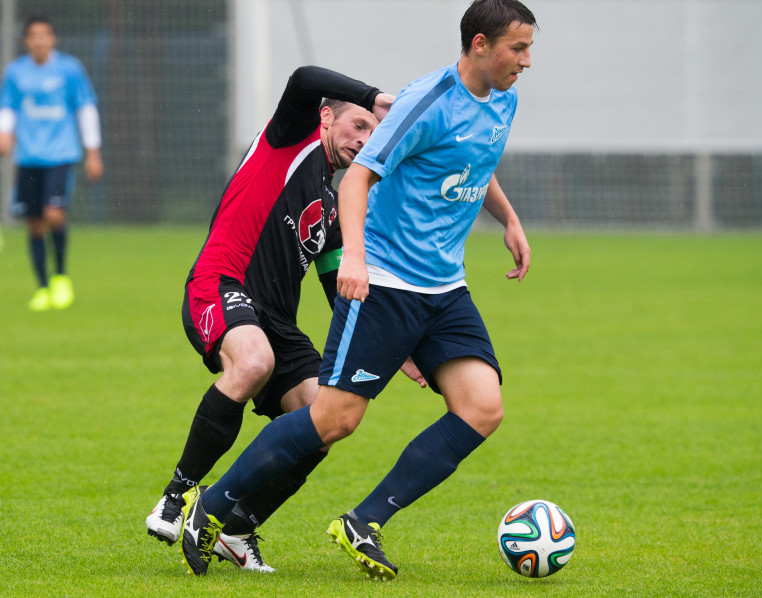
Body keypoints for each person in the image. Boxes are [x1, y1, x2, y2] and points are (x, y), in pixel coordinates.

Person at [178, 0, 535, 579]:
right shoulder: (428, 100)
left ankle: (363, 521)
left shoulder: (504, 100)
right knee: (335, 417)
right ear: (479, 45)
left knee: (482, 406)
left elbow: (476, 160)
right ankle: (211, 508)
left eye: (528, 49)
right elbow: (360, 179)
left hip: (446, 289)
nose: (525, 61)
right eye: (517, 48)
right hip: (389, 283)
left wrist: (509, 220)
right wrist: (357, 263)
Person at [145, 65, 415, 574]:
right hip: (221, 282)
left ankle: (239, 531)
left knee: (325, 415)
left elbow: (341, 291)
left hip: (278, 321)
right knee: (252, 362)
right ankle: (177, 496)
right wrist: (376, 97)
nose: (364, 138)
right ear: (327, 117)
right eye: (358, 125)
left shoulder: (334, 204)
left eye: (373, 134)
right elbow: (304, 76)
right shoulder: (290, 138)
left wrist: (398, 348)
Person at [0, 15, 103, 311]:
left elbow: (85, 109)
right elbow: (8, 106)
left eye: (45, 35)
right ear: (26, 41)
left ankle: (60, 277)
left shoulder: (69, 69)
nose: (40, 40)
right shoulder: (16, 72)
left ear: (53, 39)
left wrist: (93, 152)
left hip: (60, 155)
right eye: (34, 35)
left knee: (54, 214)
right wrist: (5, 133)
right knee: (34, 223)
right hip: (28, 157)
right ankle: (42, 287)